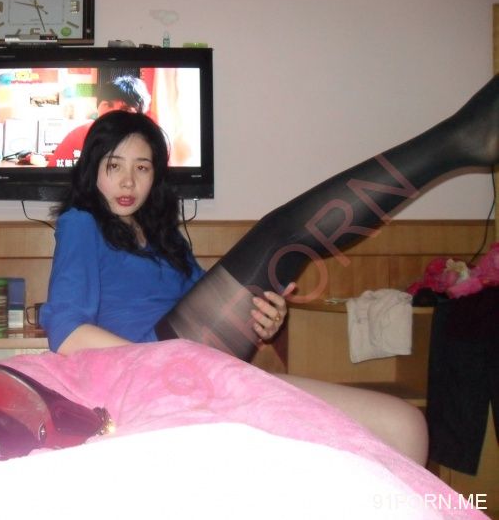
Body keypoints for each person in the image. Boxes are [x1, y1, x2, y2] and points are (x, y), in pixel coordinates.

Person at [40, 74, 499, 465]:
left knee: (405, 425)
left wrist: (265, 318)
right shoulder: (81, 222)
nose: (127, 181)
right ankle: (458, 140)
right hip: (144, 377)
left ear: (156, 176)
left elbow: (207, 308)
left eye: (142, 168)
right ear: (92, 170)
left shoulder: (166, 238)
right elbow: (67, 333)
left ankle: (460, 139)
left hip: (195, 368)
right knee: (281, 237)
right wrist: (165, 361)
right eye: (114, 166)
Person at [46, 75, 151, 169]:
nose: (113, 113)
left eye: (125, 108)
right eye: (108, 105)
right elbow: (53, 177)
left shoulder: (148, 142)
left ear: (139, 116)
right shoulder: (79, 135)